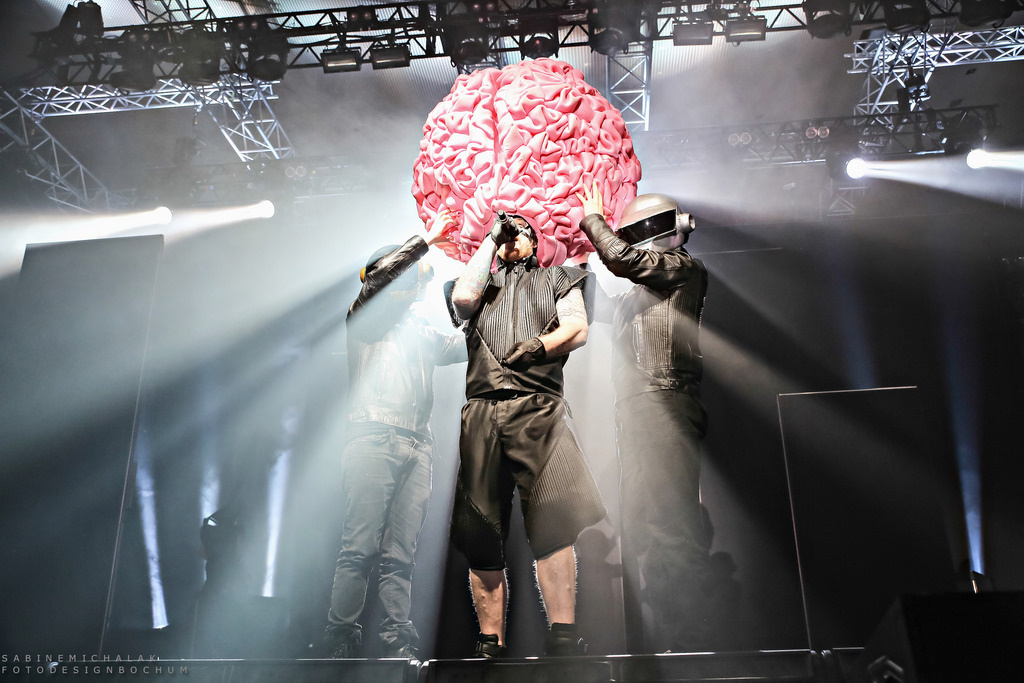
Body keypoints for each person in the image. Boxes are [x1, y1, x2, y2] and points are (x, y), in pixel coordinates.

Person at [446, 211, 606, 658]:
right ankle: (490, 639)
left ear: (535, 242)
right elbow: (463, 299)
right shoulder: (478, 282)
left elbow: (577, 328)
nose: (510, 234)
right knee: (481, 526)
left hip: (538, 407)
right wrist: (489, 240)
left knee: (553, 521)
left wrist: (540, 345)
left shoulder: (560, 277)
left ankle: (562, 634)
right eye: (504, 229)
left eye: (520, 230)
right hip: (482, 410)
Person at [576, 184, 713, 653]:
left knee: (671, 525)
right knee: (644, 526)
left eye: (648, 228)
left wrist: (592, 221)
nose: (644, 237)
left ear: (677, 228)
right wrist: (577, 261)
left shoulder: (684, 269)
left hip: (664, 402)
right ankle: (669, 640)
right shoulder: (642, 292)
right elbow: (599, 302)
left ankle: (691, 644)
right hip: (639, 410)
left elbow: (622, 260)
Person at [325, 210, 467, 660]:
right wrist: (426, 240)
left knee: (401, 553)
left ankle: (395, 636)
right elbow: (382, 279)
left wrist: (483, 292)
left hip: (418, 445)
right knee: (359, 546)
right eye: (414, 276)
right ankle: (340, 635)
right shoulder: (363, 317)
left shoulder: (421, 330)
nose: (420, 284)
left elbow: (466, 345)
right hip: (372, 436)